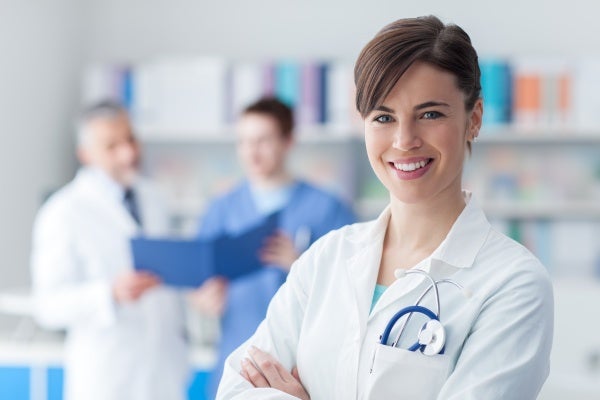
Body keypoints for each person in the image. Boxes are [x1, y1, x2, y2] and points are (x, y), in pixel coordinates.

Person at [216, 16, 553, 400]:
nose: (404, 140)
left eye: (430, 114)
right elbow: (236, 389)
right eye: (383, 117)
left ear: (473, 119)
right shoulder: (327, 258)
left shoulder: (513, 284)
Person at [191, 97, 355, 398]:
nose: (251, 152)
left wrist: (299, 264)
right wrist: (205, 297)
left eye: (263, 140)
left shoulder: (326, 208)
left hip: (301, 369)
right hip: (237, 358)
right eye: (243, 141)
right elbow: (197, 284)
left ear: (288, 141)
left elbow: (353, 290)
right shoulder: (222, 208)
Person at [30, 100, 190, 400]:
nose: (128, 154)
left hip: (164, 374)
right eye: (112, 146)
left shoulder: (155, 198)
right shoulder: (64, 211)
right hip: (109, 377)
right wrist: (108, 294)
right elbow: (48, 306)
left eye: (130, 139)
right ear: (85, 154)